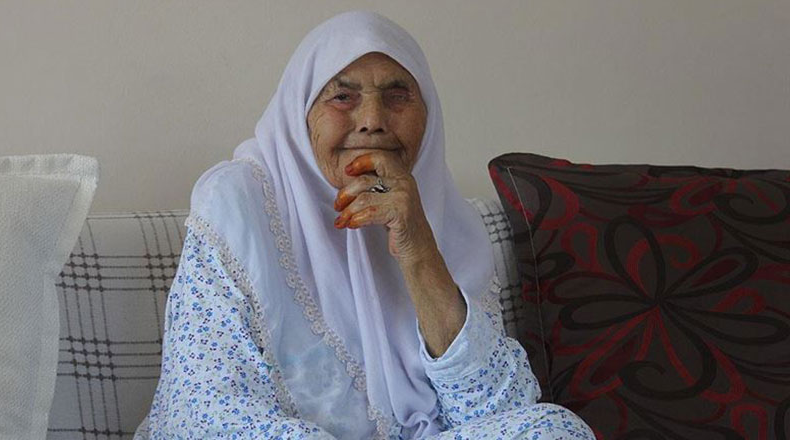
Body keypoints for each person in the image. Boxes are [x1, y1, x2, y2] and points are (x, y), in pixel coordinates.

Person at [138, 11, 595, 440]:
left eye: (398, 96)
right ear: (301, 111)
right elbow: (204, 408)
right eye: (343, 97)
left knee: (555, 429)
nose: (373, 122)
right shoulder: (237, 201)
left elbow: (498, 412)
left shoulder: (450, 222)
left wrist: (419, 248)